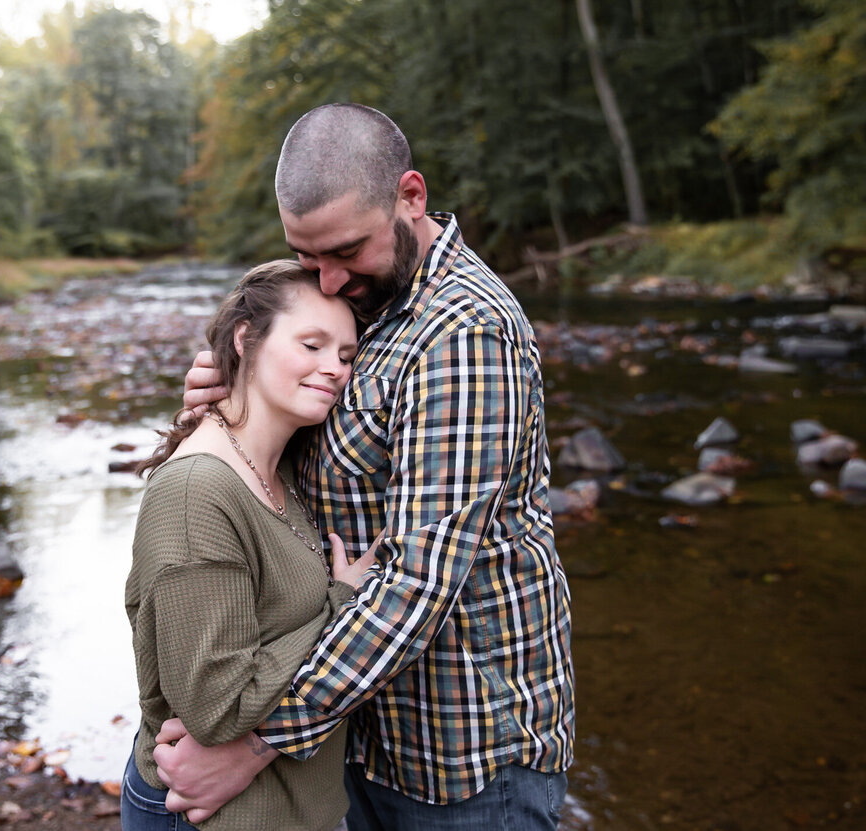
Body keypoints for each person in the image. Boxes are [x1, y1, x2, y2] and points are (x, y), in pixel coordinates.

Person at [154, 103, 574, 830]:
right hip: (353, 733)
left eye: (347, 250)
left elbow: (417, 580)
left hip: (461, 755)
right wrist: (230, 410)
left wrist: (255, 742)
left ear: (411, 197)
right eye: (308, 254)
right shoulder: (362, 298)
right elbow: (310, 486)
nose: (328, 278)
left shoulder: (465, 334)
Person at [121, 259, 377, 831]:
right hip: (215, 816)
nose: (333, 369)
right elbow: (219, 708)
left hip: (294, 809)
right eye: (311, 345)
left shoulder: (279, 469)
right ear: (246, 338)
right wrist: (342, 605)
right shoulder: (196, 494)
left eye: (345, 355)